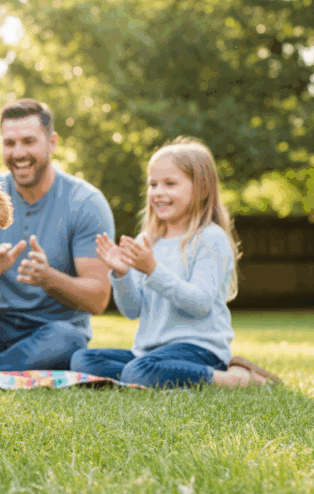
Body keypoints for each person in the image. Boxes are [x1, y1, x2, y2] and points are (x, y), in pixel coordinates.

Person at [70, 137, 282, 387]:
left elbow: (199, 304)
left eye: (170, 184)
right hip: (149, 353)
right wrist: (122, 274)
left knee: (138, 371)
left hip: (198, 351)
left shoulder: (210, 238)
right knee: (83, 360)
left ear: (202, 190)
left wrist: (153, 270)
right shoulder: (148, 240)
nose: (159, 193)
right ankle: (153, 376)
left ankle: (234, 379)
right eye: (153, 184)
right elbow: (132, 310)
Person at [0, 99, 115, 371]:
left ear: (52, 143)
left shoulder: (86, 203)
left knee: (67, 341)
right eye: (9, 143)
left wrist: (50, 279)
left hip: (54, 330)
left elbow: (98, 298)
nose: (18, 153)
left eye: (28, 141)